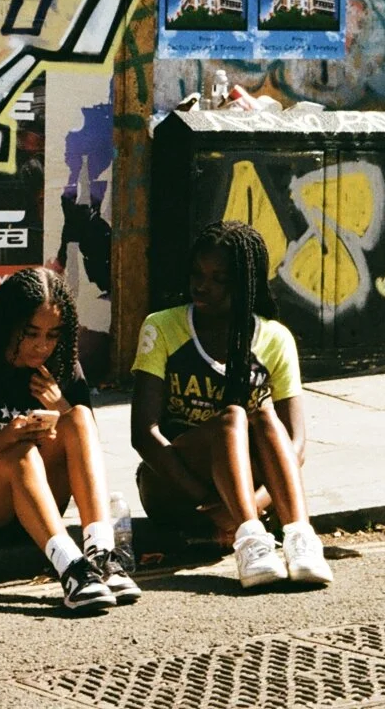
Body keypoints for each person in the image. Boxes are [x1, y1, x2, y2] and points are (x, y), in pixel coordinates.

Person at [0, 267, 141, 612]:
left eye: (53, 335)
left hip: (37, 508)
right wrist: (2, 440)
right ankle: (72, 568)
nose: (42, 346)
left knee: (77, 416)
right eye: (31, 333)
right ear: (8, 324)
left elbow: (85, 447)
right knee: (21, 454)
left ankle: (101, 555)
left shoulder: (62, 364)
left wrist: (61, 406)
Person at [130, 221, 333, 589]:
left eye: (219, 278)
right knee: (233, 417)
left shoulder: (274, 338)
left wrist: (251, 503)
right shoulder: (161, 327)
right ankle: (251, 540)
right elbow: (144, 434)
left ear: (245, 283)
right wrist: (211, 504)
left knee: (265, 415)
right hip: (174, 488)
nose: (201, 285)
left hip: (245, 500)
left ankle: (300, 538)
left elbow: (296, 446)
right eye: (197, 273)